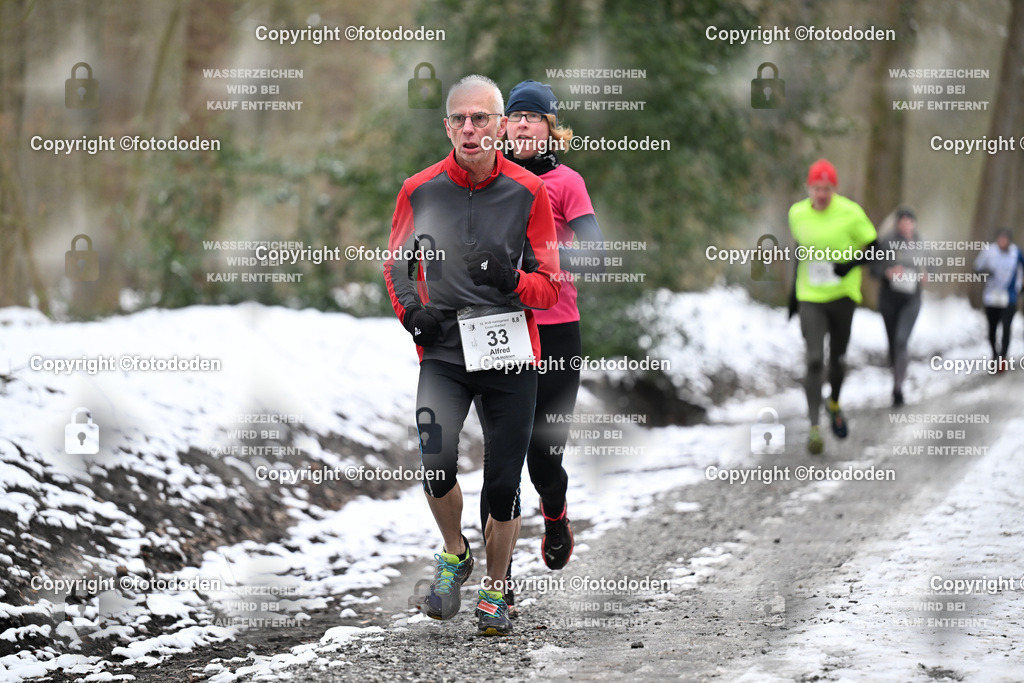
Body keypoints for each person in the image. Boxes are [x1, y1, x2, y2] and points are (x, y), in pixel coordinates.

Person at [383, 74, 560, 636]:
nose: (469, 128)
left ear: (501, 125)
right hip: (443, 350)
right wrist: (412, 312)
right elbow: (396, 264)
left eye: (481, 118)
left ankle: (496, 589)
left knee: (503, 482)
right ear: (447, 127)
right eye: (459, 119)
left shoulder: (529, 194)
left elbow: (552, 286)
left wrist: (512, 278)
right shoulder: (420, 188)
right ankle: (455, 553)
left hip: (509, 350)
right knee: (434, 458)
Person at [477, 80, 606, 610]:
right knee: (500, 458)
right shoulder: (487, 179)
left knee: (542, 458)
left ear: (552, 128)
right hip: (498, 329)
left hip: (555, 328)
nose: (524, 124)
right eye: (516, 116)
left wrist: (540, 264)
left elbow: (595, 251)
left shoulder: (566, 182)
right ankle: (499, 581)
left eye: (535, 117)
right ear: (502, 126)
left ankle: (555, 516)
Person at [788, 159, 878, 454]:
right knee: (814, 360)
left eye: (827, 189)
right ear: (808, 188)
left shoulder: (851, 214)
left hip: (842, 297)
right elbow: (800, 252)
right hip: (810, 297)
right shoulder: (797, 214)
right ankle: (814, 428)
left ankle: (834, 403)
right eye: (817, 188)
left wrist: (849, 265)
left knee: (837, 359)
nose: (822, 194)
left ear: (834, 189)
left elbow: (876, 250)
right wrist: (793, 295)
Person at [870, 207, 925, 406]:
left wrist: (927, 274)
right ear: (897, 223)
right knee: (893, 343)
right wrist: (887, 272)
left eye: (909, 221)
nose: (906, 225)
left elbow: (934, 266)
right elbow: (874, 268)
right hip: (889, 299)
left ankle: (898, 388)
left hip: (912, 299)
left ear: (914, 224)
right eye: (902, 221)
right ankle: (896, 371)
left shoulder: (922, 243)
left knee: (902, 340)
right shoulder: (886, 242)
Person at [973, 227, 1024, 369]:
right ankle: (995, 354)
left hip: (1010, 297)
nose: (1002, 242)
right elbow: (977, 268)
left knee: (1006, 327)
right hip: (991, 297)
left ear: (1009, 241)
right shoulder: (989, 251)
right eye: (1000, 239)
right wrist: (986, 272)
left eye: (1005, 239)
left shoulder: (1016, 253)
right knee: (992, 329)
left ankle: (1003, 358)